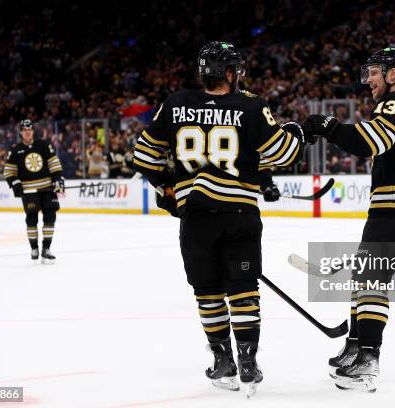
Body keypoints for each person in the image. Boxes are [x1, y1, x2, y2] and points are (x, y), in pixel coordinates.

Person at [132, 41, 311, 397]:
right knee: (244, 290)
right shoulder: (251, 105)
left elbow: (144, 155)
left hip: (196, 219)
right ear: (229, 73)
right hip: (240, 215)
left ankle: (222, 361)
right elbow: (282, 152)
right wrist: (300, 133)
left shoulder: (176, 103)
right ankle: (248, 362)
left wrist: (170, 187)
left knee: (207, 292)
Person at [301, 47, 395, 392]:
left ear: (394, 74)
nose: (369, 81)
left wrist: (329, 126)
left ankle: (368, 357)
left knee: (371, 277)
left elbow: (370, 142)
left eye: (375, 73)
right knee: (364, 273)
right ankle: (355, 343)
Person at [3, 119, 65, 263]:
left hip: (47, 188)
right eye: (25, 130)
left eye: (29, 130)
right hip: (29, 191)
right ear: (21, 132)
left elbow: (54, 163)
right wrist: (15, 183)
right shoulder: (15, 150)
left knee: (50, 217)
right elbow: (9, 172)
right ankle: (34, 248)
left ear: (33, 131)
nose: (27, 132)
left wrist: (58, 179)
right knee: (32, 219)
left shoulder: (43, 145)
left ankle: (46, 249)